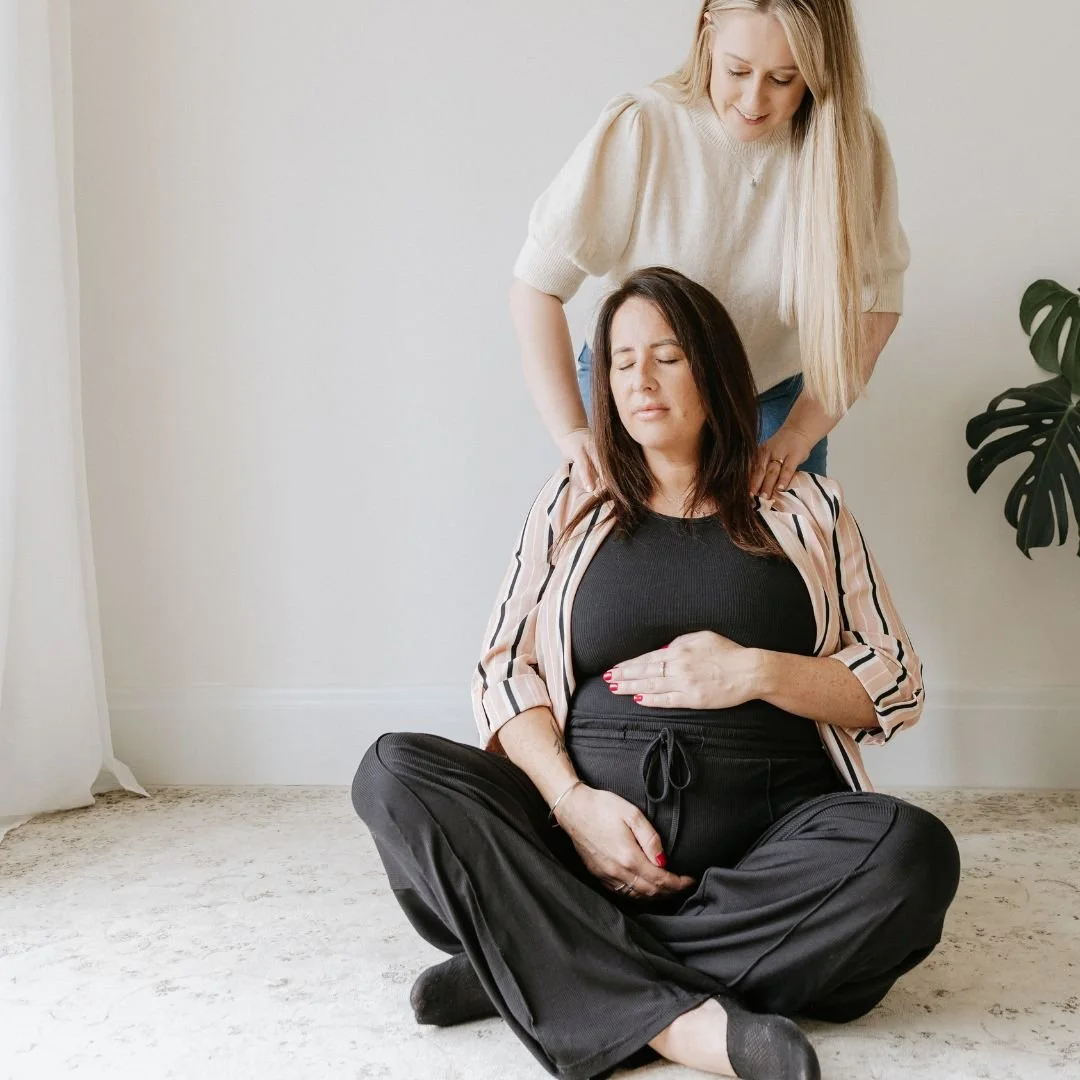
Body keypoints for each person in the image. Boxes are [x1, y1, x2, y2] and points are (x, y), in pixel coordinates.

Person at [353, 268, 959, 1080]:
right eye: (620, 360)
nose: (638, 379)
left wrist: (754, 671)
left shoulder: (809, 507)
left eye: (667, 357)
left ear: (714, 372)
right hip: (576, 846)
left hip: (763, 855)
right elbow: (503, 669)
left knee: (910, 853)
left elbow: (896, 680)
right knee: (395, 771)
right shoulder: (571, 503)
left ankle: (540, 962)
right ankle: (673, 1014)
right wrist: (572, 806)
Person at [510, 0, 910, 499]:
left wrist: (799, 432)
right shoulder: (646, 127)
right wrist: (573, 431)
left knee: (781, 569)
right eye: (737, 70)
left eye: (784, 79)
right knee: (639, 569)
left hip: (769, 398)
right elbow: (536, 287)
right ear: (707, 38)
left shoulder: (851, 148)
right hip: (642, 395)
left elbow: (877, 305)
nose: (753, 99)